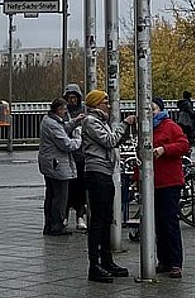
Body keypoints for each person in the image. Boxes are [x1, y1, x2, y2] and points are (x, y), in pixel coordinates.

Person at [80, 89, 135, 283]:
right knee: (98, 220)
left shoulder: (100, 121)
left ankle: (106, 260)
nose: (109, 106)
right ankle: (94, 265)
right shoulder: (91, 122)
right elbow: (110, 141)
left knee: (106, 219)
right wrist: (124, 124)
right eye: (105, 102)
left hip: (104, 172)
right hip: (97, 173)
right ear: (96, 104)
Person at [151, 97, 191, 278]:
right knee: (158, 224)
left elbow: (183, 145)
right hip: (153, 182)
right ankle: (164, 260)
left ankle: (175, 262)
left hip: (169, 181)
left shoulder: (170, 126)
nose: (150, 112)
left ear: (160, 109)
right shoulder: (147, 129)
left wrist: (164, 149)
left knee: (169, 222)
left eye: (152, 109)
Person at [38, 97, 82, 236]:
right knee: (60, 196)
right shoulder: (53, 124)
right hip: (57, 164)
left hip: (50, 163)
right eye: (64, 110)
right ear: (58, 110)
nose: (66, 112)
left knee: (51, 194)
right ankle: (57, 225)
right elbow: (66, 144)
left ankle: (49, 224)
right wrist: (79, 140)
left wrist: (75, 122)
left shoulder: (49, 120)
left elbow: (63, 128)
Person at [62, 84, 88, 230]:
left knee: (80, 187)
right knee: (67, 188)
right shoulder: (64, 113)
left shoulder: (85, 111)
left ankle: (80, 215)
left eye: (74, 98)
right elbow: (62, 130)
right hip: (68, 155)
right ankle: (64, 216)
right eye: (70, 98)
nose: (72, 101)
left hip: (81, 155)